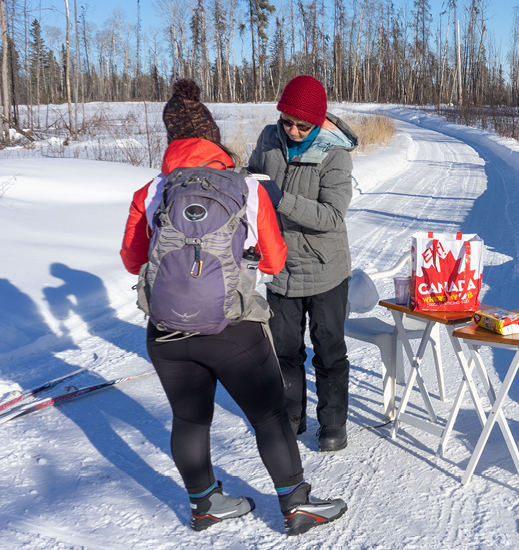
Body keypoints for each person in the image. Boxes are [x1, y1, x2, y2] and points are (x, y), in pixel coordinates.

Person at [119, 79, 346, 535]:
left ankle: (205, 504)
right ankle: (296, 505)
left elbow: (131, 260)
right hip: (231, 328)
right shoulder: (245, 189)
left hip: (166, 330)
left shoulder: (150, 190)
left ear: (171, 142)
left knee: (188, 417)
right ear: (213, 137)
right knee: (267, 415)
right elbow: (277, 259)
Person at [246, 75, 358, 452]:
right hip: (279, 265)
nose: (293, 130)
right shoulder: (269, 139)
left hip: (325, 268)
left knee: (328, 349)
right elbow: (252, 178)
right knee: (283, 349)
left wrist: (281, 200)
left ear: (318, 122)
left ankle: (333, 423)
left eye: (302, 125)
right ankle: (292, 416)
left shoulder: (334, 155)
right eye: (287, 122)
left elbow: (331, 216)